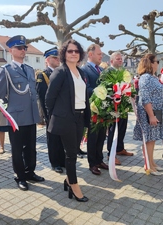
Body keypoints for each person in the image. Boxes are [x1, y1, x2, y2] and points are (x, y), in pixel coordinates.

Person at [0, 35, 44, 191]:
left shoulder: (30, 69)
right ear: (11, 51)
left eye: (25, 48)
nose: (23, 50)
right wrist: (5, 115)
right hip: (15, 117)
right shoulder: (6, 70)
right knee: (17, 148)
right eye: (19, 48)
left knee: (31, 147)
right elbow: (0, 95)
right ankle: (20, 176)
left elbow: (33, 92)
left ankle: (30, 172)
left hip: (30, 115)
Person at [45, 39, 90, 201]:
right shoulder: (60, 72)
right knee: (71, 154)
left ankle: (68, 180)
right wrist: (55, 118)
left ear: (80, 54)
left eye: (76, 51)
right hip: (66, 119)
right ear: (64, 53)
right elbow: (49, 99)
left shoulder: (82, 72)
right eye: (70, 51)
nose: (73, 54)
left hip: (80, 117)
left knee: (74, 151)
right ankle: (74, 185)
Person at [133, 53, 163, 176]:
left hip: (156, 112)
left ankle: (152, 163)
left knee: (152, 139)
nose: (158, 64)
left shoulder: (152, 77)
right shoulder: (146, 78)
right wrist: (151, 115)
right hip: (150, 112)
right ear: (151, 63)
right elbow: (145, 98)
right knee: (149, 139)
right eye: (157, 61)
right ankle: (148, 166)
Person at [36, 47, 65, 173]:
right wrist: (47, 115)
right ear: (48, 59)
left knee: (62, 138)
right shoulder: (42, 75)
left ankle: (63, 159)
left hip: (63, 112)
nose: (58, 59)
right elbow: (42, 98)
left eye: (58, 57)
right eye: (54, 57)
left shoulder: (63, 72)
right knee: (53, 139)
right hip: (51, 113)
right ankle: (55, 163)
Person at [81, 44, 108, 175]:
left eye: (101, 54)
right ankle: (92, 163)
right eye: (99, 54)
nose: (101, 56)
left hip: (102, 109)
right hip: (92, 109)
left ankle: (99, 160)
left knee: (102, 136)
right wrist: (99, 91)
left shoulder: (101, 70)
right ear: (90, 55)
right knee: (93, 137)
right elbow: (84, 89)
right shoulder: (84, 70)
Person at [107, 52, 134, 166]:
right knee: (113, 131)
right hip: (113, 106)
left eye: (121, 59)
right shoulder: (108, 72)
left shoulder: (123, 72)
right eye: (118, 59)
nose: (120, 61)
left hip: (124, 105)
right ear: (111, 61)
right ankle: (111, 154)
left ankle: (120, 148)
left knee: (122, 128)